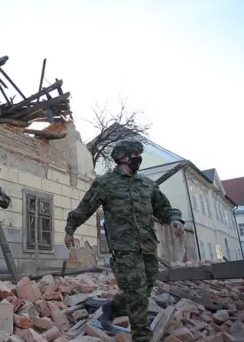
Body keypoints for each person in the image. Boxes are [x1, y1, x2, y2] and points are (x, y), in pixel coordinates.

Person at [64, 140, 185, 342]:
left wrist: (174, 219)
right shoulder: (106, 183)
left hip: (147, 247)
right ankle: (142, 337)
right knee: (137, 296)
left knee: (143, 291)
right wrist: (70, 229)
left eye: (139, 153)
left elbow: (163, 207)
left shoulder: (147, 184)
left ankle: (113, 307)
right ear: (122, 157)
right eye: (134, 153)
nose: (139, 157)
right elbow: (85, 208)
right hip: (124, 250)